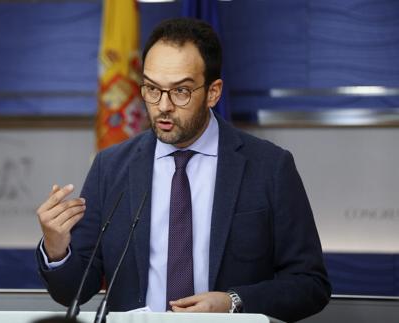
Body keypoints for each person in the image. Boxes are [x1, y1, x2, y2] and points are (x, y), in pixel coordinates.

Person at [35, 18, 330, 322]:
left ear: (213, 93)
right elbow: (73, 292)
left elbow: (310, 284)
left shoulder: (269, 167)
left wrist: (233, 302)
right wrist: (57, 250)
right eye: (151, 88)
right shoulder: (111, 167)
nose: (163, 105)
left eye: (181, 92)